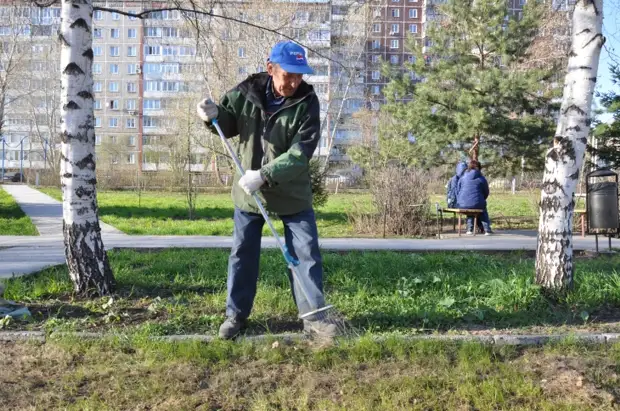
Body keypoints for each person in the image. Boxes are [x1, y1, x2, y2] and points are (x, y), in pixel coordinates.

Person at [196, 41, 337, 340]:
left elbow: (301, 153)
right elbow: (228, 123)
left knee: (305, 254)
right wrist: (211, 115)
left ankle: (314, 318)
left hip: (291, 195)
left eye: (300, 75)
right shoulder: (246, 91)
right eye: (289, 75)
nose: (295, 82)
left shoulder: (307, 102)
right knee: (242, 255)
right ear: (271, 68)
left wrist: (264, 174)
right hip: (249, 197)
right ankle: (235, 316)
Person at [456, 160, 493, 235]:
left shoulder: (462, 177)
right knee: (482, 209)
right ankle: (487, 230)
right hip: (477, 203)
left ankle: (469, 229)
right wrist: (481, 199)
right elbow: (486, 192)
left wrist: (461, 200)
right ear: (479, 168)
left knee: (469, 207)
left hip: (462, 204)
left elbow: (458, 190)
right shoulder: (481, 178)